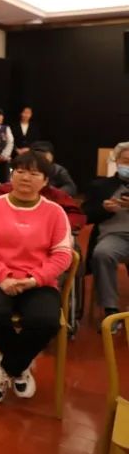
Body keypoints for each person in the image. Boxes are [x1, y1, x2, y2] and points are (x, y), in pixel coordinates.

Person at [0, 151, 73, 403]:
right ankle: (21, 363)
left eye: (35, 173)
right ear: (12, 174)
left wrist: (35, 279)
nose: (26, 177)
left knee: (46, 321)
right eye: (20, 171)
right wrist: (2, 276)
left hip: (39, 283)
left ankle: (7, 366)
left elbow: (62, 255)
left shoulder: (55, 212)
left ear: (45, 181)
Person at [83, 141, 129, 331]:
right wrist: (104, 209)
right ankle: (111, 311)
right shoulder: (101, 186)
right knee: (102, 253)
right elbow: (86, 215)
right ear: (116, 161)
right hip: (113, 236)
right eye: (125, 161)